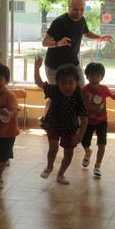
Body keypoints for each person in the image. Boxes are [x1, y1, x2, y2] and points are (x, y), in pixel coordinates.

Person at [34, 56, 88, 185]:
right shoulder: (54, 90)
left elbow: (84, 118)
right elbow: (39, 82)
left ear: (76, 83)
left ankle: (61, 174)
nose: (67, 86)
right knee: (53, 148)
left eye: (70, 83)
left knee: (68, 153)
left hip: (70, 128)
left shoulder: (78, 97)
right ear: (57, 83)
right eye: (63, 83)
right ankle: (49, 167)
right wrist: (36, 68)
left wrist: (80, 134)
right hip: (53, 124)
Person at [41, 0, 112, 86]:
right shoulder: (59, 22)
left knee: (81, 88)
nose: (79, 12)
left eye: (81, 9)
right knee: (57, 93)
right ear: (69, 7)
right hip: (54, 65)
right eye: (75, 9)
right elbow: (45, 42)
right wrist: (58, 43)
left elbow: (86, 33)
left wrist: (100, 37)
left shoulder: (81, 20)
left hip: (72, 62)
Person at [81, 62, 115, 179]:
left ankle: (97, 166)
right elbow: (79, 103)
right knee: (84, 141)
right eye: (91, 75)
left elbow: (113, 96)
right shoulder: (84, 90)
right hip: (88, 121)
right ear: (87, 76)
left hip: (102, 121)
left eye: (97, 76)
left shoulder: (104, 89)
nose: (94, 78)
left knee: (102, 144)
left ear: (101, 77)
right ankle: (88, 152)